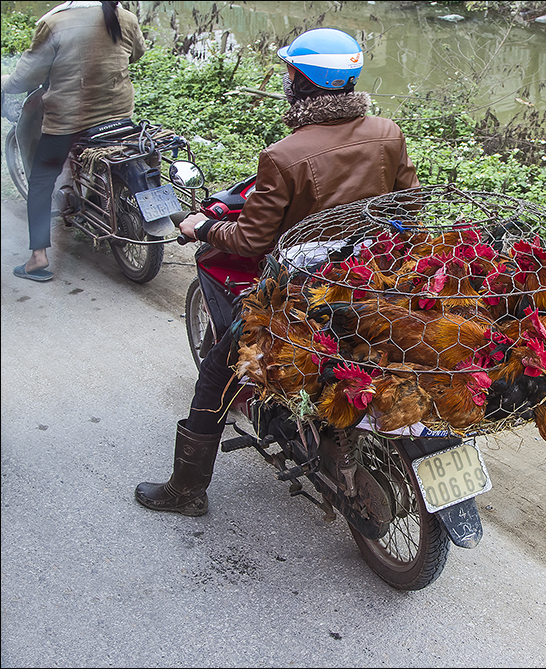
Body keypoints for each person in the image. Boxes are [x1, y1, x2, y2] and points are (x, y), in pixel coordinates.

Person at [135, 28, 420, 516]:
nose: (287, 79)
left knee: (216, 377)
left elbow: (251, 240)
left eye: (290, 72)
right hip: (373, 279)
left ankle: (186, 491)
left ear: (301, 81)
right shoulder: (387, 133)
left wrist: (204, 228)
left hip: (303, 295)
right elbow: (408, 207)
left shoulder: (284, 156)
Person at [0, 1, 145, 282]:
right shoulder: (125, 18)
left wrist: (6, 83)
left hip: (68, 124)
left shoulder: (53, 23)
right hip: (118, 117)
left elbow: (26, 77)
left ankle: (38, 257)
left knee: (41, 180)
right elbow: (136, 53)